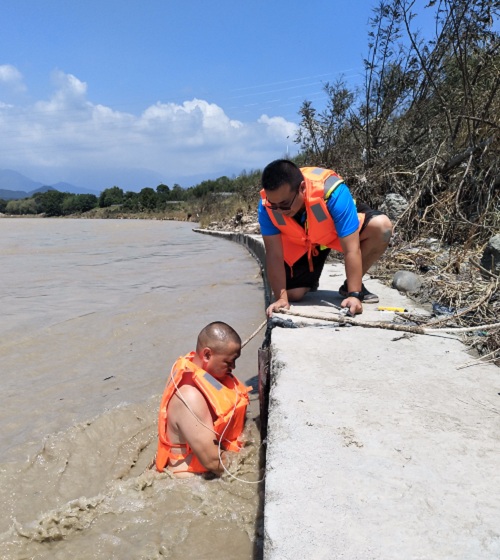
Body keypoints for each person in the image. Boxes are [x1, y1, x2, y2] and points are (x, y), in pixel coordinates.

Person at [258, 160, 393, 317]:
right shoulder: (266, 205)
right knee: (293, 295)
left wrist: (354, 295)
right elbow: (274, 254)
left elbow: (351, 248)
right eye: (274, 205)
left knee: (382, 227)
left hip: (333, 233)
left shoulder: (333, 192)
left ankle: (351, 286)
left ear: (302, 188)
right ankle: (310, 280)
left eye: (284, 204)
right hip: (303, 244)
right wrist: (281, 299)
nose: (279, 210)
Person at [156, 321, 250, 478]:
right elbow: (214, 462)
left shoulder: (208, 376)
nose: (233, 367)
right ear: (207, 355)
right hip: (189, 482)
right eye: (228, 361)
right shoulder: (190, 397)